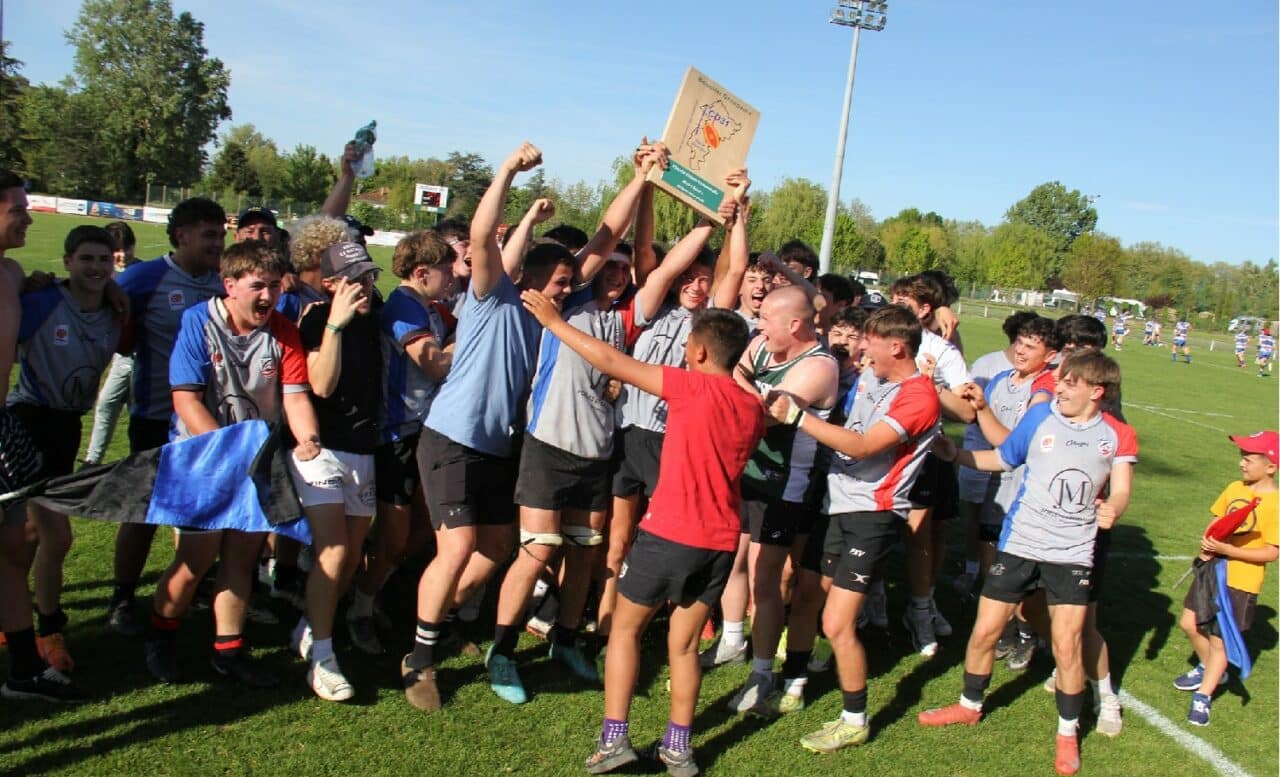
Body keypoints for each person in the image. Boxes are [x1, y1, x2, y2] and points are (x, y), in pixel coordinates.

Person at [401, 140, 646, 713]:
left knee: (494, 549)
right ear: (533, 278)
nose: (570, 288)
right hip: (453, 437)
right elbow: (482, 235)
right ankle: (419, 658)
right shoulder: (492, 294)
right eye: (561, 281)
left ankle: (443, 624)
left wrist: (641, 180)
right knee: (458, 547)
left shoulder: (548, 313)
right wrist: (509, 170)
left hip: (501, 445)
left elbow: (606, 237)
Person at [490, 146, 726, 703]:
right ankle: (501, 652)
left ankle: (566, 639)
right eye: (611, 267)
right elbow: (606, 234)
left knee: (585, 550)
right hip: (549, 444)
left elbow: (667, 268)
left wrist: (711, 222)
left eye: (625, 268)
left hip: (599, 452)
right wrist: (640, 180)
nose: (618, 274)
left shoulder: (628, 315)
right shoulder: (565, 303)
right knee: (538, 549)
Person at [522, 284, 763, 777]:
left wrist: (554, 323)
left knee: (625, 631)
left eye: (688, 345)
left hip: (670, 534)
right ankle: (678, 749)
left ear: (699, 351)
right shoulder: (753, 407)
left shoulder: (691, 386)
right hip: (719, 541)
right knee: (684, 646)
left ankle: (614, 740)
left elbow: (612, 361)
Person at [919, 350, 1136, 777]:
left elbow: (1123, 488)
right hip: (1020, 543)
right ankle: (969, 705)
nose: (1060, 387)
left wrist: (1115, 507)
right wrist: (955, 454)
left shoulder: (1118, 435)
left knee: (1067, 644)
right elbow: (1002, 458)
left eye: (1070, 382)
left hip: (1072, 552)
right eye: (1060, 380)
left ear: (1097, 390)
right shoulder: (1040, 418)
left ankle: (1067, 733)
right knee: (985, 631)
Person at [762, 305, 942, 754]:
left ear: (896, 347)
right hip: (834, 505)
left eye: (871, 343)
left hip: (872, 516)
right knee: (806, 596)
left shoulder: (919, 397)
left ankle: (854, 720)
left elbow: (863, 447)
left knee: (837, 623)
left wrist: (798, 418)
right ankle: (793, 685)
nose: (862, 350)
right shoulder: (872, 379)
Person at [144, 241, 318, 688]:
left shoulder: (283, 331)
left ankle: (229, 652)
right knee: (195, 560)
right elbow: (186, 399)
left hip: (256, 461)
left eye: (275, 286)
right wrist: (228, 451)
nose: (268, 296)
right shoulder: (198, 321)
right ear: (230, 285)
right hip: (204, 459)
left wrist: (308, 439)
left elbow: (295, 397)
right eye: (257, 286)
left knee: (242, 557)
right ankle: (161, 637)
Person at [2, 226, 122, 689]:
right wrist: (32, 285)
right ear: (68, 261)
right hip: (27, 422)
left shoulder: (116, 310)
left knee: (30, 535)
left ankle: (19, 621)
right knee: (54, 535)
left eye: (104, 260)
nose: (95, 267)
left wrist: (117, 294)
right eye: (86, 259)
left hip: (66, 429)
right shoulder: (43, 302)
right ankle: (50, 631)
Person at [108, 197, 228, 636]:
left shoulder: (224, 281)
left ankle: (189, 589)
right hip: (155, 416)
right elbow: (109, 316)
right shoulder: (146, 278)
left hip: (205, 423)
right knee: (142, 513)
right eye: (209, 235)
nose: (218, 244)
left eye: (221, 235)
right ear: (182, 236)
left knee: (200, 513)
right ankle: (122, 597)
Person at [717, 282, 838, 716]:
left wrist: (738, 380)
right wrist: (740, 379)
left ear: (795, 324)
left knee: (764, 580)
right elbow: (736, 378)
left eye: (767, 318)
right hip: (747, 475)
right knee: (732, 562)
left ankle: (762, 673)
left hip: (784, 486)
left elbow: (768, 413)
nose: (759, 325)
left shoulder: (819, 365)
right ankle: (732, 640)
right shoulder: (763, 346)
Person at [347, 229, 460, 656]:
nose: (453, 277)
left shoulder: (428, 307)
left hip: (424, 432)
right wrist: (468, 337)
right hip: (396, 435)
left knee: (424, 527)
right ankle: (360, 605)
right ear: (421, 272)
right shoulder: (402, 308)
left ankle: (379, 588)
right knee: (394, 536)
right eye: (446, 270)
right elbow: (435, 365)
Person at [288, 241, 385, 700]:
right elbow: (321, 385)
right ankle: (323, 659)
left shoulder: (376, 315)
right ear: (329, 285)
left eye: (368, 276)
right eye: (353, 278)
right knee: (333, 550)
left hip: (364, 450)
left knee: (350, 555)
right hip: (321, 449)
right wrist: (335, 326)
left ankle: (311, 626)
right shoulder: (315, 320)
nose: (364, 285)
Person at [769, 304, 869, 714]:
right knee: (793, 570)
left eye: (853, 336)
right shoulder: (821, 369)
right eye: (838, 333)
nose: (843, 342)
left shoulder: (867, 384)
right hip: (812, 484)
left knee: (823, 582)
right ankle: (792, 641)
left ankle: (824, 641)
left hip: (849, 496)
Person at [890, 274, 977, 657]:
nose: (894, 305)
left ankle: (921, 607)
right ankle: (876, 597)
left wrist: (929, 385)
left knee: (924, 532)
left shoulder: (940, 350)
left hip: (924, 452)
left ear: (924, 309)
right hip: (877, 446)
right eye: (893, 298)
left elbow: (967, 411)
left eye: (904, 301)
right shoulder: (875, 332)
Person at [1174, 431, 1277, 726]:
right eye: (1241, 456)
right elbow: (1217, 521)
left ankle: (1203, 696)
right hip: (1212, 569)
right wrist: (1208, 544)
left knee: (1219, 642)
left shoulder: (1275, 504)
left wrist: (1229, 550)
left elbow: (1272, 552)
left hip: (1240, 582)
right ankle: (1211, 670)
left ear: (1271, 466)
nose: (1242, 463)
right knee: (1189, 623)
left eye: (1249, 458)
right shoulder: (1234, 488)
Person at [953, 311, 1040, 599]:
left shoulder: (1044, 383)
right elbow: (968, 409)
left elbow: (1014, 444)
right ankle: (975, 571)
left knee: (1002, 522)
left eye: (1030, 344)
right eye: (1021, 342)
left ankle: (1002, 589)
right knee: (977, 517)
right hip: (980, 451)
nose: (1021, 350)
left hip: (1010, 462)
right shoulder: (991, 368)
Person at [83, 221, 141, 466]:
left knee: (119, 407)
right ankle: (94, 460)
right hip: (119, 356)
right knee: (110, 405)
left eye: (126, 248)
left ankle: (96, 461)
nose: (122, 254)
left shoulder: (143, 273)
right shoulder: (102, 277)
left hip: (139, 356)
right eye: (116, 250)